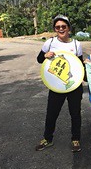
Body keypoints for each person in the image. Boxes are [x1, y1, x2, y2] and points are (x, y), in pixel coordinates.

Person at [35, 15, 84, 153]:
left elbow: (80, 65)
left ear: (68, 28)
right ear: (54, 29)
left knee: (75, 113)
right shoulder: (49, 43)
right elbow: (39, 59)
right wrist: (45, 56)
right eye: (57, 27)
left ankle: (76, 139)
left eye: (63, 26)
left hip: (74, 85)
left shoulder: (76, 44)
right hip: (56, 85)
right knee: (52, 113)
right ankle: (47, 139)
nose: (61, 29)